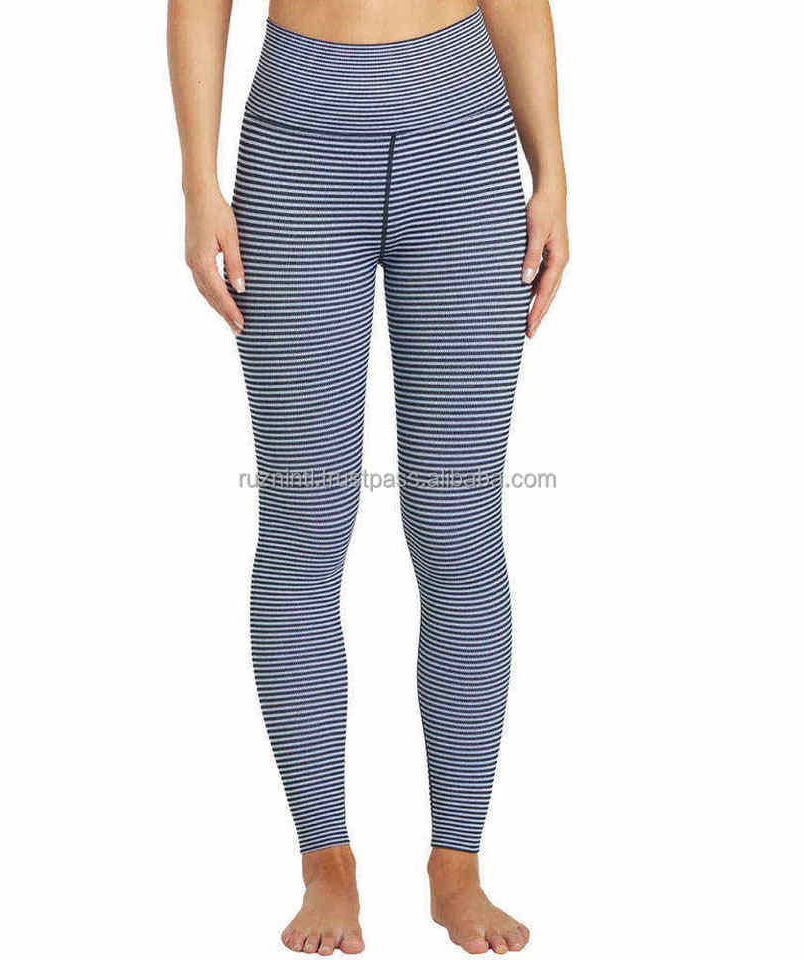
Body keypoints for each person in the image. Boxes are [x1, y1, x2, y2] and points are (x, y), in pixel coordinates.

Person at [168, 0, 568, 953]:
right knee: (304, 523)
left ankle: (457, 863)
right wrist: (197, 184)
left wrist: (552, 172)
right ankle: (326, 861)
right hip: (297, 143)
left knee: (459, 525)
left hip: (463, 137)